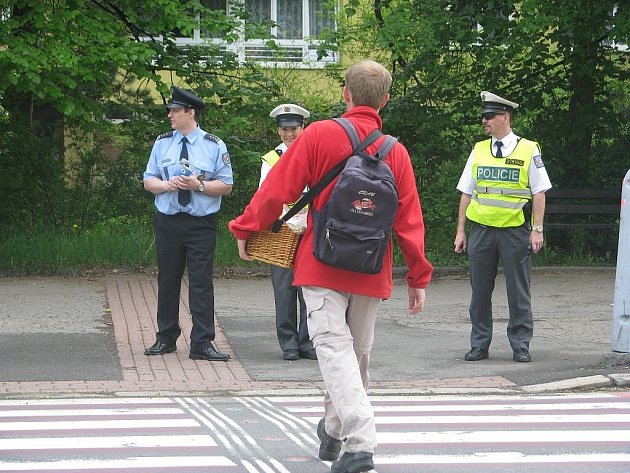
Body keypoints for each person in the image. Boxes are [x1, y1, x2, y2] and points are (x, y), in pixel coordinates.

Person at [228, 60, 432, 473]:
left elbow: (277, 189)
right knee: (354, 356)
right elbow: (409, 219)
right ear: (386, 100)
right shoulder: (397, 151)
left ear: (346, 94)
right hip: (372, 268)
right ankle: (333, 431)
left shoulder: (319, 134)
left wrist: (244, 228)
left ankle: (359, 443)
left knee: (337, 353)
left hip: (321, 264)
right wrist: (417, 276)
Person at [454, 91, 552, 363]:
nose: (484, 121)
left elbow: (539, 192)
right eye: (483, 116)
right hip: (482, 231)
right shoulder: (479, 149)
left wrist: (537, 229)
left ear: (505, 118)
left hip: (514, 231)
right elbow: (466, 192)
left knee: (518, 291)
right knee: (479, 292)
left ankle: (520, 344)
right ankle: (479, 343)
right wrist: (461, 230)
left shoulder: (528, 149)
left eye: (489, 116)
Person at [143, 86, 233, 362]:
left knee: (201, 282)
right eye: (170, 110)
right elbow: (149, 179)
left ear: (190, 112)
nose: (170, 114)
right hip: (169, 221)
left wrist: (199, 185)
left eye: (175, 110)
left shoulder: (214, 145)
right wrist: (165, 185)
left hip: (200, 223)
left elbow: (226, 185)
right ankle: (166, 337)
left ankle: (202, 343)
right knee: (167, 280)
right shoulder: (162, 143)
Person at [262, 103, 317, 361]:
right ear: (278, 131)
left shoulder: (314, 154)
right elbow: (265, 196)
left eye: (293, 128)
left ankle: (307, 342)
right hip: (282, 230)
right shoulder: (272, 159)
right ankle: (289, 344)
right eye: (284, 129)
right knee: (283, 289)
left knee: (309, 287)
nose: (289, 134)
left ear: (302, 127)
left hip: (310, 227)